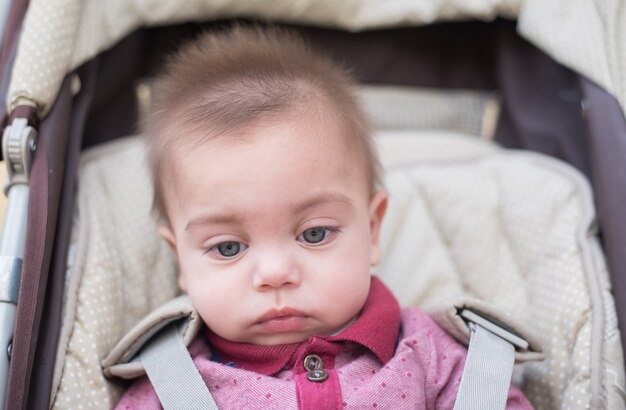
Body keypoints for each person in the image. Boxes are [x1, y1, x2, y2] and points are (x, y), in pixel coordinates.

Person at [115, 26, 533, 409]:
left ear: (371, 231)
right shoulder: (172, 382)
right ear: (180, 260)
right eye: (228, 247)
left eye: (314, 234)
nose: (276, 274)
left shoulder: (431, 355)